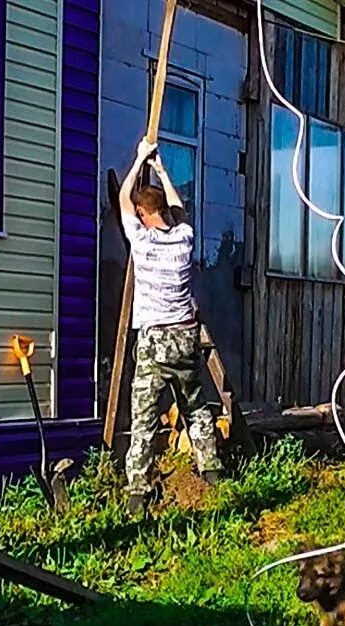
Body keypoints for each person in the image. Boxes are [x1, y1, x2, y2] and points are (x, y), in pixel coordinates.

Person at [117, 138, 222, 514]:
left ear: (145, 216)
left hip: (155, 340)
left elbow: (124, 200)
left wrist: (138, 159)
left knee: (143, 417)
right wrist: (161, 169)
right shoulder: (184, 239)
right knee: (196, 408)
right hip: (185, 337)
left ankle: (137, 493)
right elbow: (177, 208)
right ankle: (211, 471)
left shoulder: (142, 243)